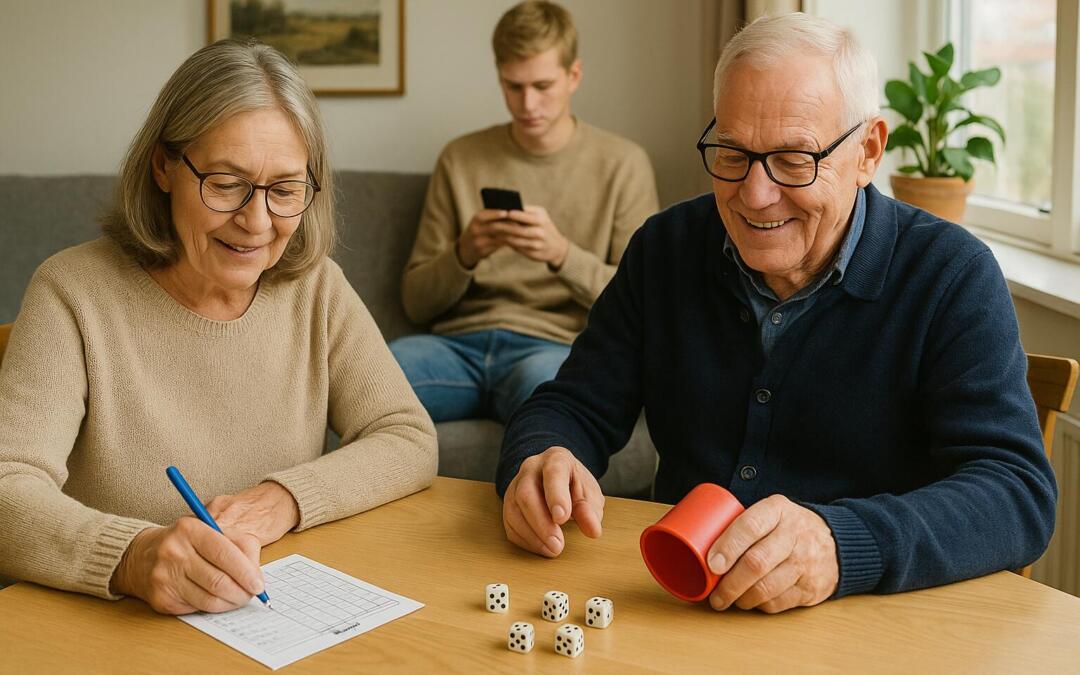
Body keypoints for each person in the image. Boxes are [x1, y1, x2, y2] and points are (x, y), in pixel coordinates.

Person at [496, 12, 1056, 614]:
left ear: (868, 152)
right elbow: (573, 404)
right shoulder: (665, 249)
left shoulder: (951, 274)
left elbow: (1015, 493)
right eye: (733, 153)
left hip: (868, 625)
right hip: (676, 611)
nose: (755, 195)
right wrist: (541, 456)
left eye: (793, 160)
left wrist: (840, 544)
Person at [0, 39, 437, 613]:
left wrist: (284, 498)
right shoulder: (72, 291)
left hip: (262, 621)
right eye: (226, 183)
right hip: (109, 629)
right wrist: (132, 557)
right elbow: (7, 488)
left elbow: (408, 436)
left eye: (284, 189)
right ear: (163, 166)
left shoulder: (316, 288)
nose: (256, 222)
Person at [390, 0, 659, 425]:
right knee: (368, 380)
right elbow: (416, 303)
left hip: (550, 347)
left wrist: (561, 255)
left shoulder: (623, 164)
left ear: (574, 75)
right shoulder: (460, 158)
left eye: (542, 86)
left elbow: (646, 304)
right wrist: (465, 253)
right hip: (454, 348)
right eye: (513, 86)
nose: (527, 104)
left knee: (549, 399)